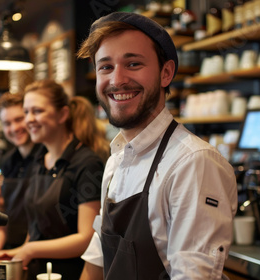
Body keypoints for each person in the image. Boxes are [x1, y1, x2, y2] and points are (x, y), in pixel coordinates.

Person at [76, 12, 238, 279]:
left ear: (166, 73)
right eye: (105, 67)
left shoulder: (193, 162)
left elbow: (194, 275)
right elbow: (99, 256)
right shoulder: (116, 159)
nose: (117, 80)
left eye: (133, 64)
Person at [0, 80, 108, 280]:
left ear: (62, 114)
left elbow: (87, 238)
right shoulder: (40, 160)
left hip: (72, 273)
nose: (29, 119)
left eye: (37, 111)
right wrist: (17, 251)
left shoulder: (87, 164)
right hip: (38, 272)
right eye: (26, 112)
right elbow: (37, 226)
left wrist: (30, 250)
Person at [0, 92, 43, 252]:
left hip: (36, 250)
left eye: (18, 119)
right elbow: (5, 216)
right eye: (7, 123)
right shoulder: (7, 160)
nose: (14, 128)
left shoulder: (46, 157)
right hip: (12, 247)